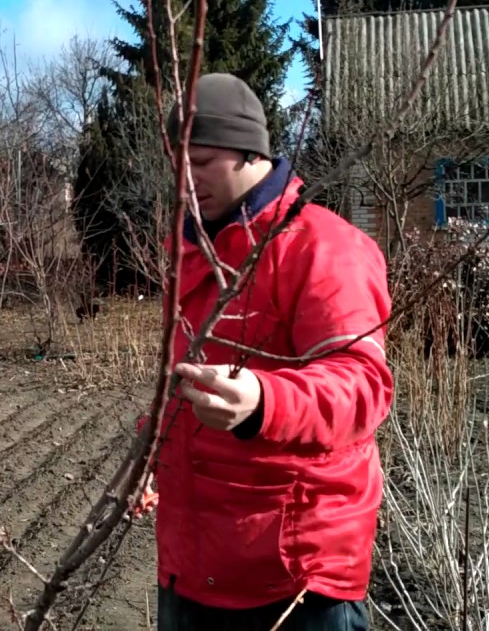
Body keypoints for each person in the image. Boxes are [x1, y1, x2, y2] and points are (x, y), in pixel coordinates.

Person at [132, 72, 394, 631]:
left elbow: (363, 386)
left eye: (200, 162)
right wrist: (149, 455)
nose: (184, 180)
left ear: (252, 152)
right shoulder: (191, 255)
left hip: (295, 579)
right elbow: (180, 384)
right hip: (192, 565)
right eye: (177, 163)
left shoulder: (325, 248)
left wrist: (262, 401)